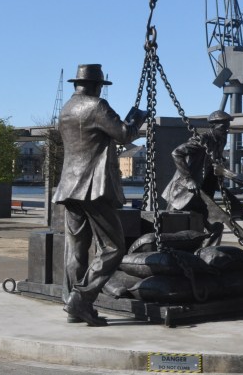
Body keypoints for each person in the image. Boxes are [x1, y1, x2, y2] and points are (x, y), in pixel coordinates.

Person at [53, 64, 146, 326]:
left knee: (76, 250)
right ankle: (80, 300)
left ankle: (72, 306)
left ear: (76, 84)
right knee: (113, 248)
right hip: (93, 188)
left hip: (69, 187)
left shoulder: (66, 109)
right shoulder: (96, 106)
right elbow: (124, 135)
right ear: (97, 86)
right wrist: (137, 116)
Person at [161, 110, 232, 230]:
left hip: (204, 190)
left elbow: (214, 160)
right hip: (185, 190)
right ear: (213, 126)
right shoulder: (202, 139)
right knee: (170, 223)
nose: (226, 129)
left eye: (228, 126)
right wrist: (188, 179)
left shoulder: (221, 140)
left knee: (206, 225)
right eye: (223, 126)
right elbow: (176, 153)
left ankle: (200, 247)